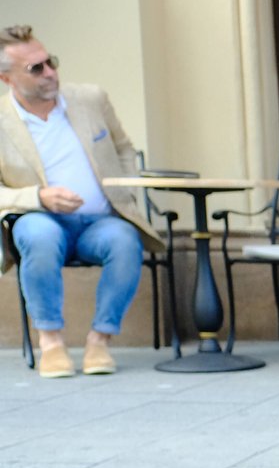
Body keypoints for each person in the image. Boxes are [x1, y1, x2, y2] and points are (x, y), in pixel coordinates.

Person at [0, 25, 160, 378]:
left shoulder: (90, 98)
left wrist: (126, 192)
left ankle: (99, 340)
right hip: (41, 219)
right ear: (7, 79)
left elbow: (123, 147)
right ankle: (51, 343)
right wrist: (39, 197)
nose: (50, 73)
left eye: (50, 62)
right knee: (37, 236)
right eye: (36, 69)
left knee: (124, 240)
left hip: (101, 220)